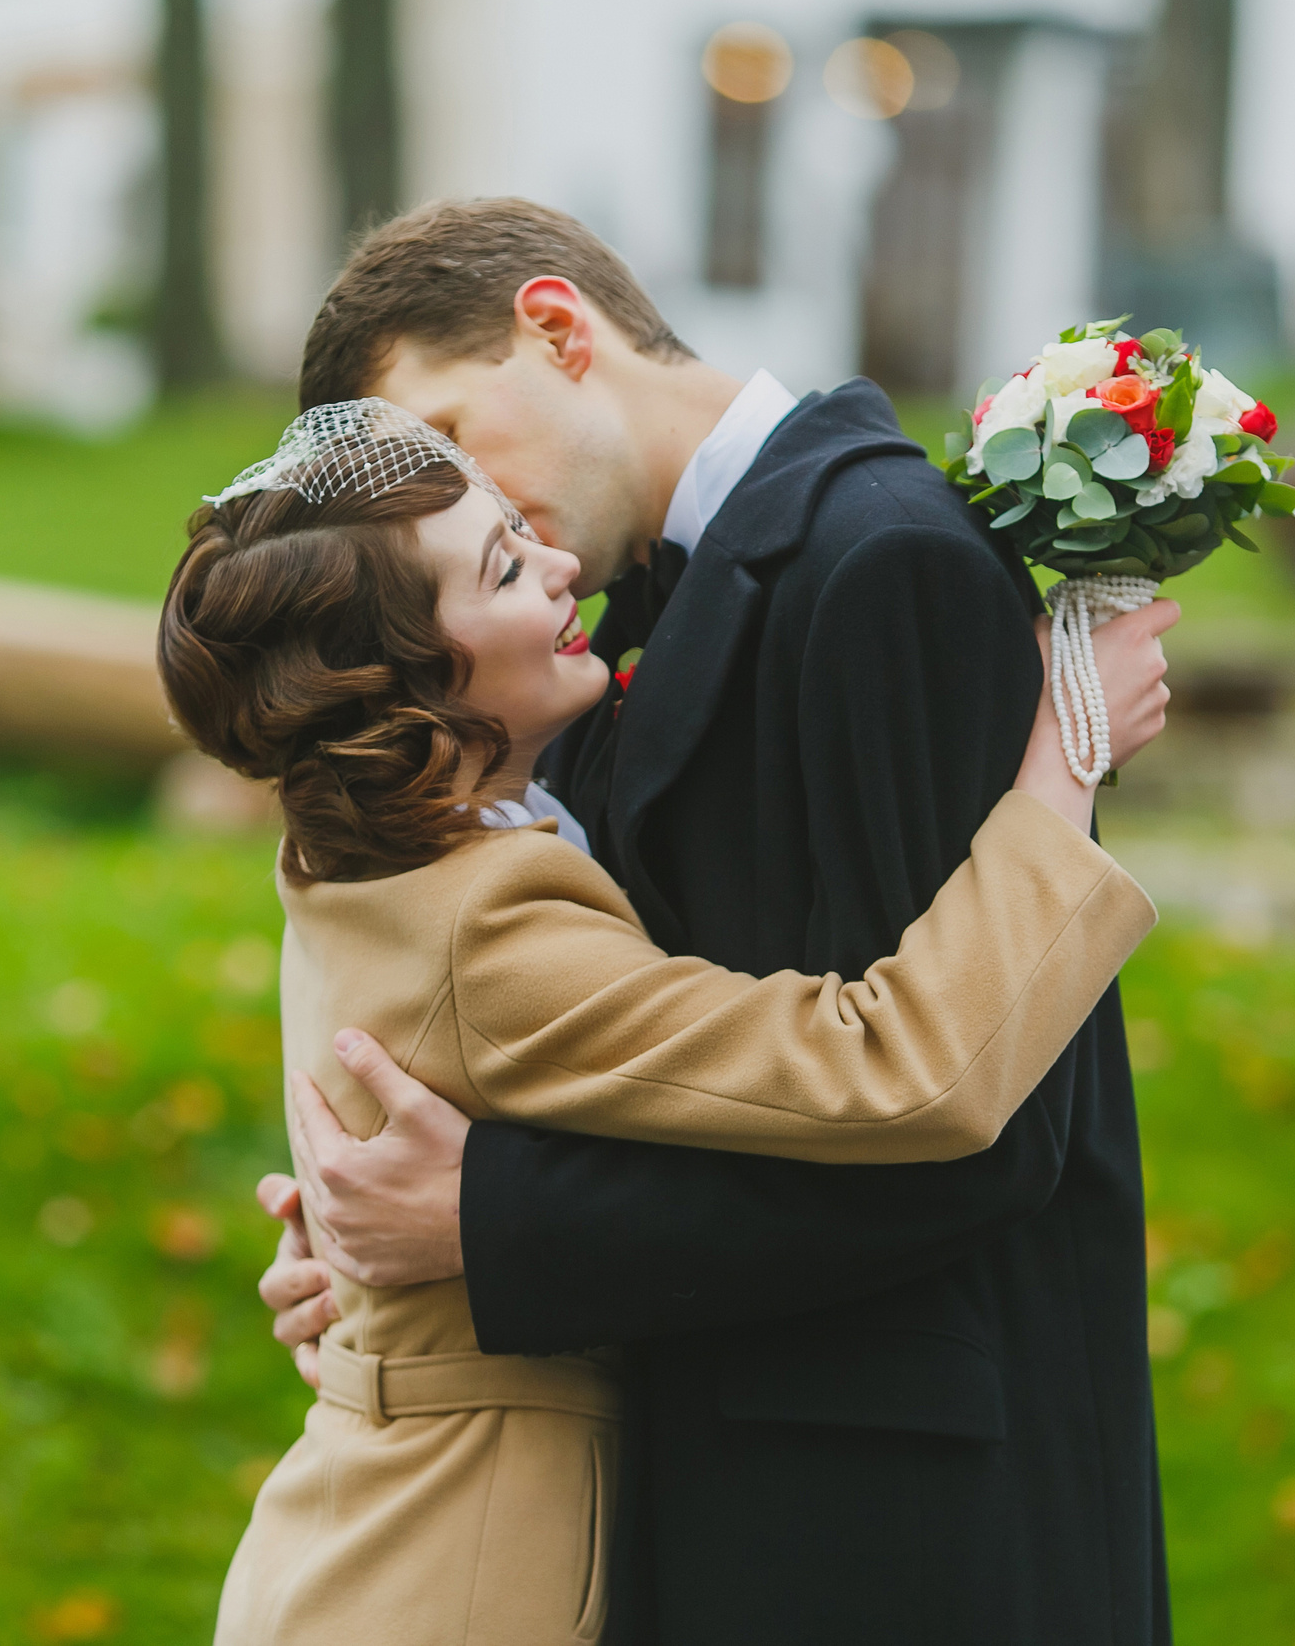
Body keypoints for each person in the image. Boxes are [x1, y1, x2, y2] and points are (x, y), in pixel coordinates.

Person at [255, 199, 1180, 1646]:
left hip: (912, 1523)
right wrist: (382, 1265)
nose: (461, 514)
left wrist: (486, 1227)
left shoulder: (882, 561)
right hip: (731, 1470)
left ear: (557, 331)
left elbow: (990, 1129)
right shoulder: (582, 631)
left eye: (447, 442)